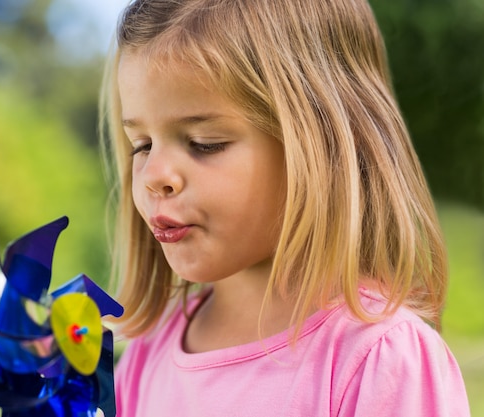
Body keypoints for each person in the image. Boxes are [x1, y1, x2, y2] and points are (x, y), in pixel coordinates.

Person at [99, 0, 470, 415]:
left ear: (324, 141)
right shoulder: (147, 353)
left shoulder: (378, 357)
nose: (154, 174)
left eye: (205, 143)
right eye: (142, 145)